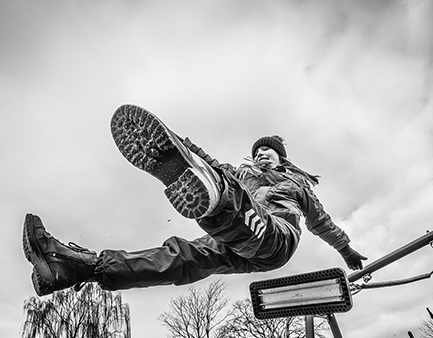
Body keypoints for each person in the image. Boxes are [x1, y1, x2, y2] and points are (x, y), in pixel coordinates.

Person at [22, 104, 366, 296]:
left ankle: (217, 199)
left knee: (232, 197)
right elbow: (213, 162)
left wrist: (347, 250)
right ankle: (77, 267)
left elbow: (322, 223)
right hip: (233, 243)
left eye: (268, 152)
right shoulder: (241, 174)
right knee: (180, 257)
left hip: (275, 240)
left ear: (281, 159)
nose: (261, 155)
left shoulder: (297, 184)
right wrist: (180, 144)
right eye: (258, 152)